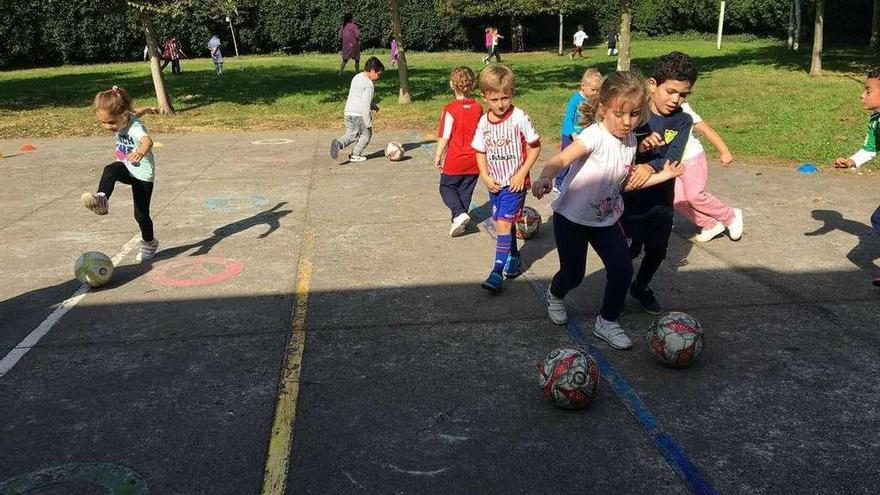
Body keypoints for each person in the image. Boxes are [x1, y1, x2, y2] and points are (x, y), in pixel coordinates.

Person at [532, 71, 684, 350]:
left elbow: (624, 182)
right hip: (572, 219)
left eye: (635, 114)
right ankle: (555, 294)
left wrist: (664, 175)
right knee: (573, 274)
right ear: (603, 109)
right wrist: (545, 176)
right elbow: (561, 158)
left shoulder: (630, 142)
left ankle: (608, 320)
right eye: (619, 114)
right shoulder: (595, 135)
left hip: (607, 218)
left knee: (622, 269)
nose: (627, 122)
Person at [623, 51, 697, 315]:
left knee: (657, 251)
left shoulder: (683, 121)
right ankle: (617, 290)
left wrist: (648, 164)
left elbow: (673, 158)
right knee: (624, 254)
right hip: (629, 199)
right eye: (671, 91)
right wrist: (639, 149)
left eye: (684, 94)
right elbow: (619, 147)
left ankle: (640, 287)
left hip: (660, 201)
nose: (676, 99)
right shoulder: (633, 113)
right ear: (652, 85)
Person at [471, 65, 541, 292]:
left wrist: (521, 174)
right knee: (503, 221)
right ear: (484, 96)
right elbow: (480, 151)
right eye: (495, 99)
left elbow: (535, 147)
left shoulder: (519, 117)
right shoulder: (483, 123)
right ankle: (513, 257)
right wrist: (485, 175)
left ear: (512, 93)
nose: (500, 104)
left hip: (514, 183)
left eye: (505, 98)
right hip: (495, 183)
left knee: (502, 223)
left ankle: (496, 271)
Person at [81, 86, 160, 262]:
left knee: (140, 214)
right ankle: (101, 198)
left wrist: (141, 151)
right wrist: (149, 109)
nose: (108, 127)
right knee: (111, 169)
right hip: (126, 166)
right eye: (103, 123)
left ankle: (149, 242)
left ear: (123, 116)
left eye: (111, 122)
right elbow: (137, 111)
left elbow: (148, 140)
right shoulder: (128, 115)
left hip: (142, 173)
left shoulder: (135, 128)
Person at [833, 67, 880, 287]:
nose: (862, 95)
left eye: (867, 90)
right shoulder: (875, 121)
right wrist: (852, 161)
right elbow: (870, 148)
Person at [674, 102, 743, 243]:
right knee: (676, 200)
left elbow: (705, 130)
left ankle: (730, 215)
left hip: (691, 157)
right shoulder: (650, 108)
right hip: (671, 162)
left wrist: (724, 151)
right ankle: (709, 224)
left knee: (694, 196)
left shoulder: (682, 108)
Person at [434, 66, 484, 237]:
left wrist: (438, 154)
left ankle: (458, 213)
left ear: (451, 85)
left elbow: (445, 135)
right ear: (472, 86)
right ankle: (458, 220)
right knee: (465, 191)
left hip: (456, 158)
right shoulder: (478, 108)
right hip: (475, 159)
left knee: (446, 187)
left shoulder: (450, 109)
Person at [555, 68, 603, 192]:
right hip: (570, 135)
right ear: (583, 86)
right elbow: (568, 119)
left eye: (598, 90)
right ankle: (559, 182)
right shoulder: (575, 99)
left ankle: (576, 181)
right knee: (566, 158)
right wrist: (572, 134)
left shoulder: (594, 100)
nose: (596, 93)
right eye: (593, 90)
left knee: (580, 160)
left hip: (585, 136)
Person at [329, 56, 384, 163]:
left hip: (348, 111)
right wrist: (368, 122)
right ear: (372, 71)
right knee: (366, 134)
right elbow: (365, 103)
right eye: (379, 74)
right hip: (359, 114)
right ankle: (355, 154)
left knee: (351, 133)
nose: (379, 77)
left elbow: (358, 96)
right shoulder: (369, 84)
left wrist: (373, 105)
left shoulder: (357, 77)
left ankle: (339, 143)